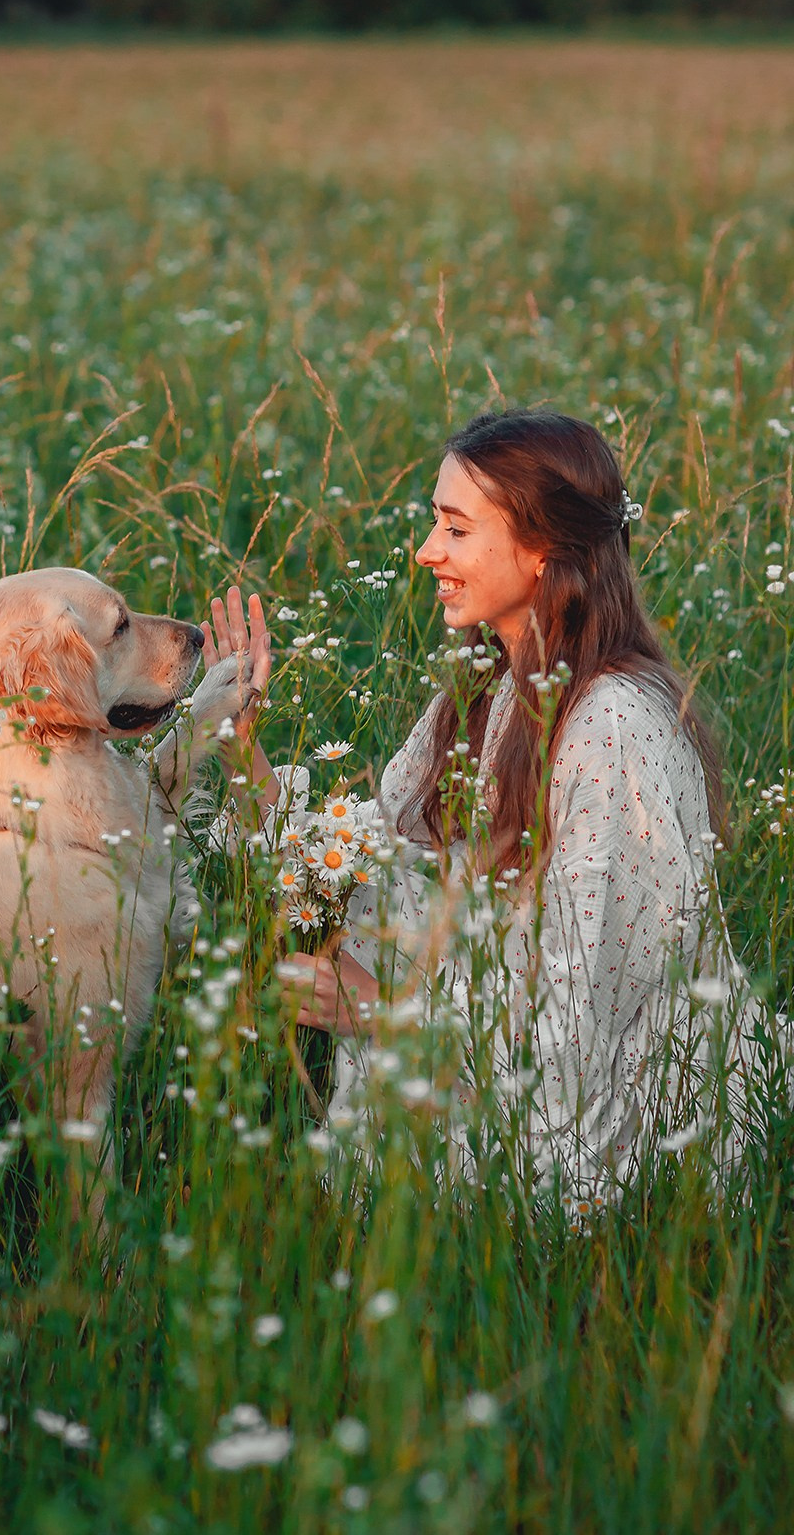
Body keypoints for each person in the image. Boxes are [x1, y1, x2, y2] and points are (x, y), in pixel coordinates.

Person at [201, 409, 783, 1204]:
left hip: (618, 1119)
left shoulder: (613, 727)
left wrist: (383, 1011)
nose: (426, 551)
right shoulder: (489, 687)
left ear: (543, 549)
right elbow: (360, 866)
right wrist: (241, 746)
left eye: (456, 528)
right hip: (486, 1059)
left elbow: (584, 1017)